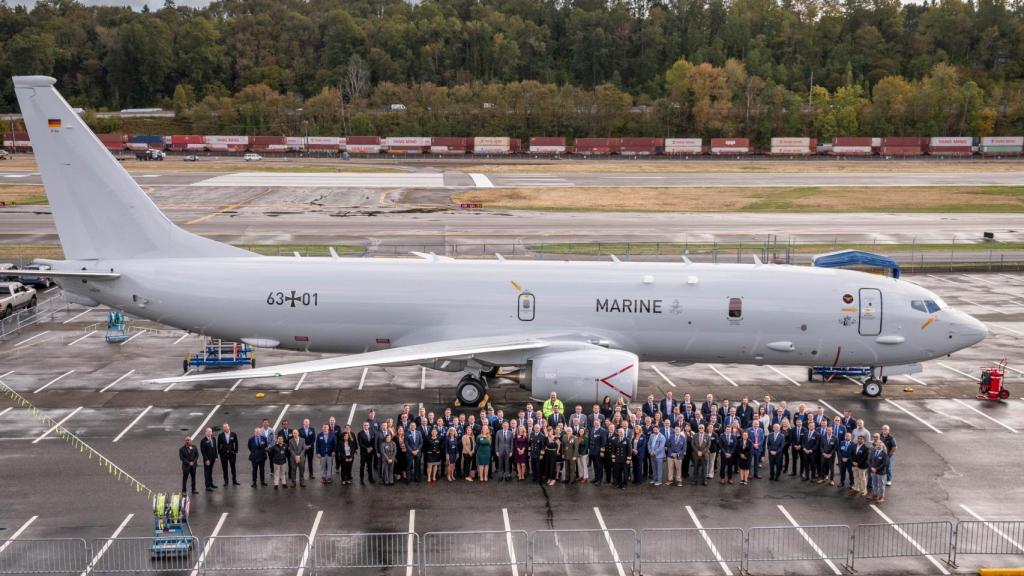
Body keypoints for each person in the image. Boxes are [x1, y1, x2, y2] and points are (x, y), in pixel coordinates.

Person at [199, 427, 218, 492]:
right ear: (206, 432)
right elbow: (203, 451)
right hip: (207, 460)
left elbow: (215, 448)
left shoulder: (213, 439)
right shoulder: (203, 441)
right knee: (207, 472)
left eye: (211, 431)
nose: (210, 433)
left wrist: (216, 457)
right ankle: (207, 486)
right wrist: (206, 459)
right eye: (208, 432)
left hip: (213, 459)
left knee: (210, 472)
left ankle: (211, 483)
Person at [589, 418, 607, 485]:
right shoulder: (593, 429)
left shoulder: (603, 431)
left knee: (599, 466)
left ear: (600, 423)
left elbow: (604, 442)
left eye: (597, 423)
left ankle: (600, 480)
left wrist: (602, 452)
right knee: (595, 466)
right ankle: (596, 478)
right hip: (593, 451)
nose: (596, 424)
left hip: (599, 452)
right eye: (595, 423)